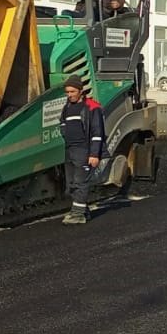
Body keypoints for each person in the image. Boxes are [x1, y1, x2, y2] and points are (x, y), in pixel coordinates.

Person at [59, 75, 105, 224]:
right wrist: (64, 131)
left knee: (81, 182)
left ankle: (78, 215)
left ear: (81, 90)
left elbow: (97, 132)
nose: (69, 95)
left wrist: (94, 154)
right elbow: (62, 123)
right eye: (67, 92)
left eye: (72, 91)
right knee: (72, 183)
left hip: (84, 150)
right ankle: (81, 211)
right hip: (70, 150)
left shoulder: (92, 107)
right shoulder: (67, 107)